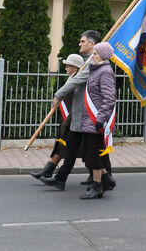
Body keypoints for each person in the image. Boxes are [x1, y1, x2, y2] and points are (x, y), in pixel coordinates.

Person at [32, 30, 111, 187]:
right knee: (74, 147)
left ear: (92, 44)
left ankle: (103, 181)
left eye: (82, 41)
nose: (79, 44)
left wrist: (58, 94)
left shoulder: (93, 64)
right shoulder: (88, 62)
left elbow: (81, 82)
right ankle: (62, 177)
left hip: (88, 115)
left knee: (92, 151)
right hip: (80, 115)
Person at [77, 42, 118, 199]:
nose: (92, 56)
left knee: (94, 155)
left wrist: (100, 119)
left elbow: (108, 99)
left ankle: (97, 186)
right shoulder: (96, 70)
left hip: (96, 121)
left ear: (102, 56)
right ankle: (106, 179)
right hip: (89, 120)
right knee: (91, 154)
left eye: (95, 54)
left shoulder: (105, 72)